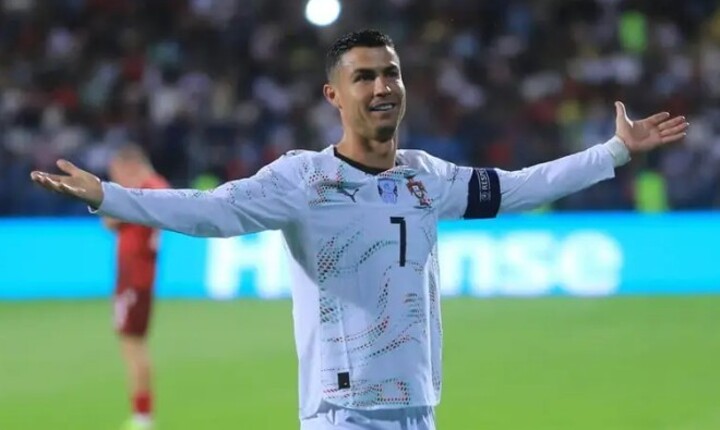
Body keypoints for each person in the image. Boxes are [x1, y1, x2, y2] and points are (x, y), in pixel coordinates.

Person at [31, 29, 688, 430]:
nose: (381, 87)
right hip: (341, 415)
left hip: (418, 409)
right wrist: (110, 195)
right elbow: (212, 211)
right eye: (364, 76)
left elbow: (520, 187)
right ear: (334, 96)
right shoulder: (303, 180)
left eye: (390, 73)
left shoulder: (427, 177)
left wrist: (614, 152)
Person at [103, 145, 169, 430]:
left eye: (116, 173)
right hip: (136, 277)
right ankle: (142, 414)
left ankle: (143, 415)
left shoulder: (146, 189)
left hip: (135, 277)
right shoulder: (154, 188)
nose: (115, 180)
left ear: (130, 166)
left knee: (132, 345)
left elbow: (109, 218)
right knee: (133, 344)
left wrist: (121, 194)